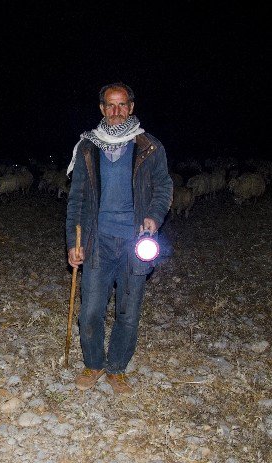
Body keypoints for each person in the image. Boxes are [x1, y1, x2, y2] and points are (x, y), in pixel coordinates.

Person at [65, 82, 173, 394]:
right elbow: (77, 199)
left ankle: (117, 369)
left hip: (136, 242)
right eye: (110, 105)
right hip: (98, 241)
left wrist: (154, 215)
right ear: (102, 109)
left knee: (128, 310)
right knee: (91, 311)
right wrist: (74, 242)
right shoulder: (88, 148)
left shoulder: (149, 147)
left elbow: (164, 187)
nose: (116, 111)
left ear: (131, 107)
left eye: (122, 105)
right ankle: (94, 364)